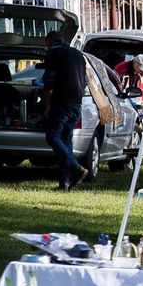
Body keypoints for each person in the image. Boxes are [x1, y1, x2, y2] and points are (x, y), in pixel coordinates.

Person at [41, 31, 89, 190]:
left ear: (49, 42)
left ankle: (76, 167)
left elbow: (49, 83)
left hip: (62, 102)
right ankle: (65, 182)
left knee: (52, 136)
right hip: (77, 103)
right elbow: (86, 81)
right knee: (66, 140)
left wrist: (47, 106)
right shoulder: (78, 54)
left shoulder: (54, 54)